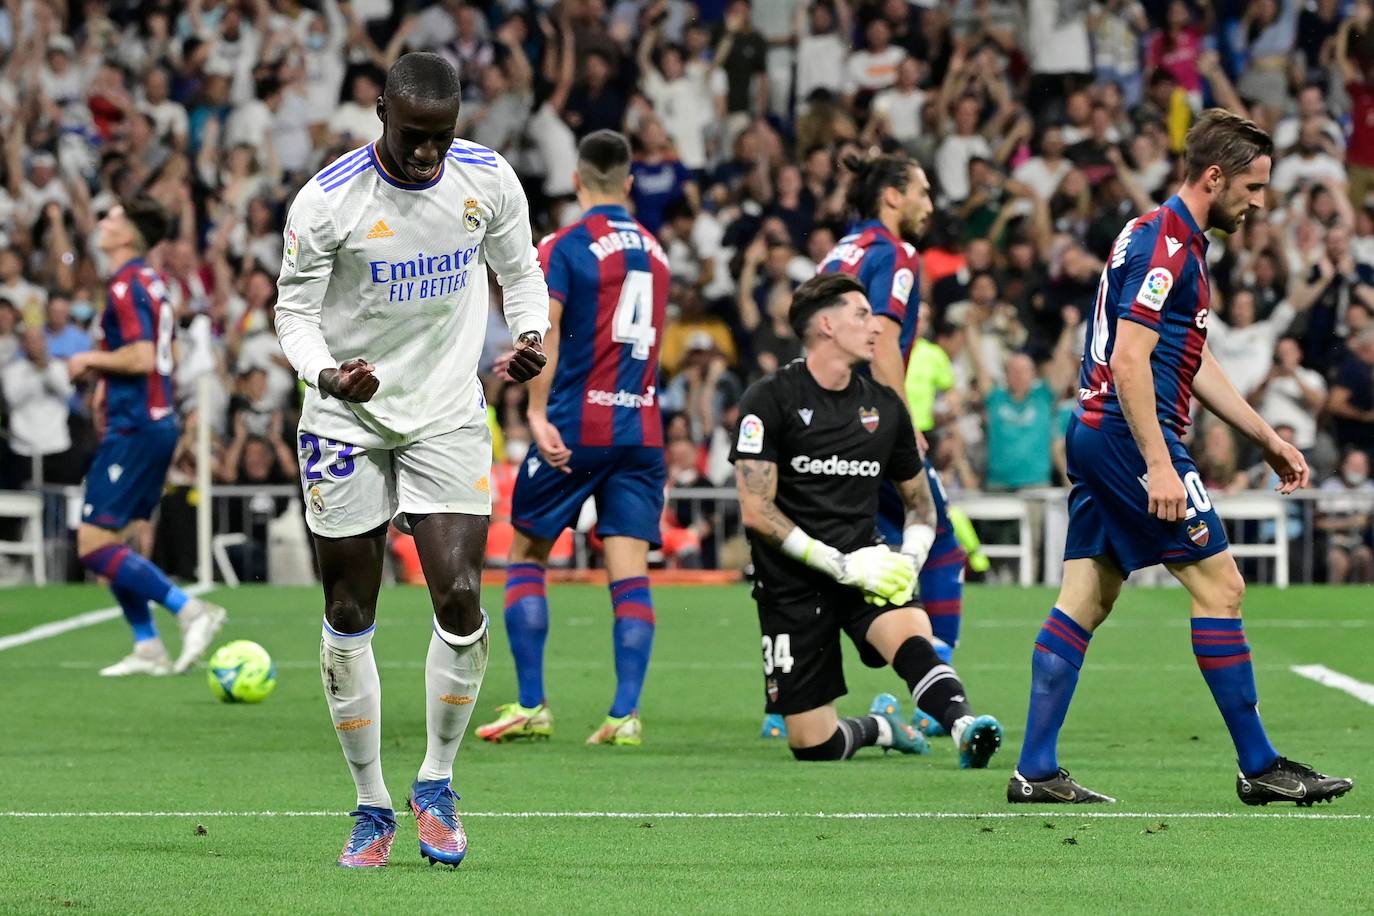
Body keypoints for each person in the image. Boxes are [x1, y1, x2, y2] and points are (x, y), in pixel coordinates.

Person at [1009, 110, 1354, 807]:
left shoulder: (1159, 235)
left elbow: (1187, 361)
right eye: (1253, 188)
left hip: (1100, 430)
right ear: (1215, 175)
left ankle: (1035, 770)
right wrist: (1160, 464)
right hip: (1129, 438)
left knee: (1088, 594)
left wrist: (1265, 436)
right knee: (1222, 588)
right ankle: (1259, 765)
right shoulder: (1168, 247)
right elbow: (1131, 358)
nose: (1260, 204)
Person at [273, 52, 550, 869]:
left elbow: (520, 272)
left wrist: (529, 335)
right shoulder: (328, 201)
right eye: (413, 137)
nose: (428, 155)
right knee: (351, 611)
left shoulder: (488, 180)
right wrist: (326, 372)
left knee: (461, 595)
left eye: (441, 137)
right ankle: (370, 804)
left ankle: (435, 781)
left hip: (445, 414)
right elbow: (292, 311)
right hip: (343, 418)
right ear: (382, 116)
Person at [731, 273, 1003, 767]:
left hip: (867, 564)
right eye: (861, 314)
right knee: (814, 747)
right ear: (826, 326)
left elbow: (921, 503)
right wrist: (838, 565)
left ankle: (965, 725)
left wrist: (908, 559)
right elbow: (756, 510)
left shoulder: (884, 406)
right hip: (792, 583)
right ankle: (882, 728)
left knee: (910, 633)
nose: (876, 326)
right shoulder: (769, 399)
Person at [475, 130, 671, 748]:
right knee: (629, 574)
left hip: (575, 426)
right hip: (641, 428)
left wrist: (536, 411)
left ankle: (532, 704)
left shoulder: (566, 244)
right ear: (630, 183)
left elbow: (549, 326)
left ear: (578, 181)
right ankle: (625, 714)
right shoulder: (658, 252)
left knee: (526, 556)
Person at [816, 153, 968, 738]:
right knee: (943, 545)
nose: (931, 205)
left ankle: (790, 702)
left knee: (826, 557)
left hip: (817, 421)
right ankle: (938, 683)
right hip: (869, 424)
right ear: (892, 196)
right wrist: (902, 423)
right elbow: (880, 339)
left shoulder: (839, 252)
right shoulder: (897, 254)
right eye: (923, 192)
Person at [68, 197, 227, 679]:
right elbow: (169, 355)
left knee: (93, 546)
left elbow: (141, 358)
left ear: (129, 235)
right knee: (115, 542)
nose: (103, 223)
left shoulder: (124, 284)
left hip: (135, 427)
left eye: (112, 218)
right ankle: (147, 645)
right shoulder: (152, 282)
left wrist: (89, 362)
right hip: (149, 422)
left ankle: (189, 609)